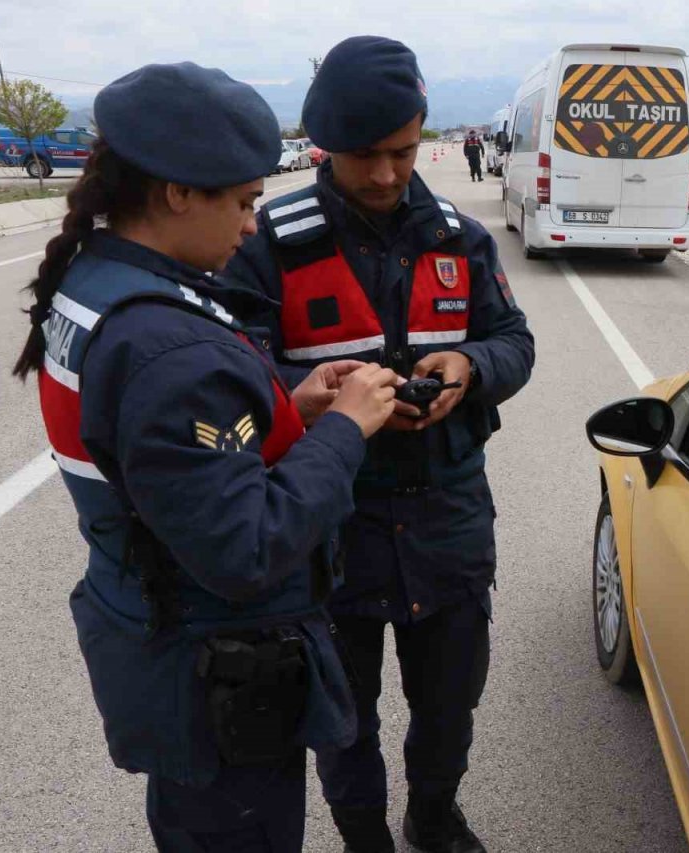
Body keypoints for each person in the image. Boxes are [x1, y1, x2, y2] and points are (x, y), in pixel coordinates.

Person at [15, 62, 403, 851]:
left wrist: (287, 409)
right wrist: (346, 429)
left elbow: (155, 456)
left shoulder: (100, 283)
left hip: (159, 631)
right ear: (177, 193)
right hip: (220, 669)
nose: (252, 225)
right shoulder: (171, 344)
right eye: (243, 202)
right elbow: (245, 546)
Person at [224, 36, 535, 853]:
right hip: (331, 526)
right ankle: (364, 835)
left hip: (449, 516)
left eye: (403, 151)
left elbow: (515, 341)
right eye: (367, 157)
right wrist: (318, 392)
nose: (390, 175)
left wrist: (471, 366)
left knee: (449, 704)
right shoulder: (266, 246)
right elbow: (233, 368)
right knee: (341, 715)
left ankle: (434, 816)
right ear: (323, 146)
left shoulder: (461, 239)